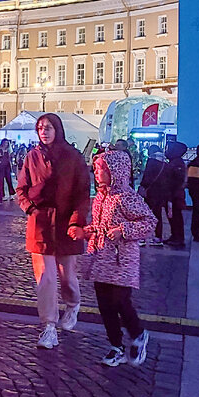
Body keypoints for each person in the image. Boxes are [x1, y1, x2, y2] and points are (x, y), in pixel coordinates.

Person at [71, 150, 155, 367]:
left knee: (120, 301)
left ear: (115, 172)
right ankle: (116, 346)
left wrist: (123, 229)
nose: (96, 172)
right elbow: (100, 227)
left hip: (121, 260)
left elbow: (149, 222)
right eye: (96, 168)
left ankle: (138, 333)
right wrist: (85, 232)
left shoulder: (126, 197)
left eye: (101, 169)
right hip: (100, 258)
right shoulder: (100, 197)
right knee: (105, 305)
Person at [15, 113, 90, 350]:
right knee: (45, 278)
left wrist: (77, 222)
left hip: (67, 223)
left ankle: (73, 303)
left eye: (48, 128)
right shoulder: (32, 156)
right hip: (41, 222)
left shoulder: (73, 157)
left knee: (67, 275)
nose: (43, 132)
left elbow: (82, 193)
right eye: (40, 128)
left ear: (57, 129)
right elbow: (21, 188)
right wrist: (29, 208)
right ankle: (48, 326)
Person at [137, 146, 168, 247]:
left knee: (145, 215)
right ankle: (158, 238)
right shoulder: (164, 162)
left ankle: (142, 238)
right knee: (157, 215)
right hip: (160, 193)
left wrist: (142, 187)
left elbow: (147, 177)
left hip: (150, 193)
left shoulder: (151, 161)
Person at [161, 142, 189, 247]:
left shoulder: (176, 164)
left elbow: (175, 181)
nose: (166, 151)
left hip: (174, 196)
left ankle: (178, 238)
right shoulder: (175, 162)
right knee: (172, 216)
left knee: (176, 216)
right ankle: (175, 236)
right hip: (172, 195)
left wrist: (170, 194)